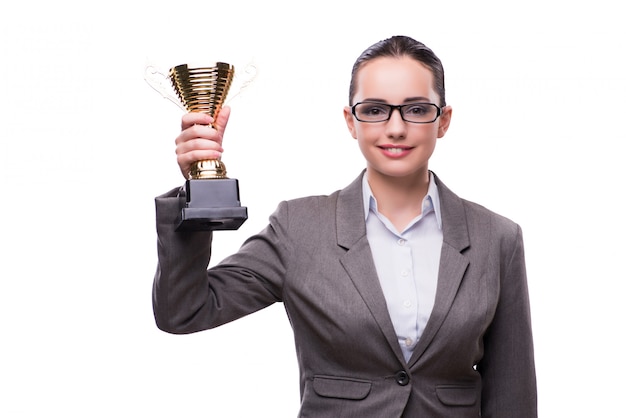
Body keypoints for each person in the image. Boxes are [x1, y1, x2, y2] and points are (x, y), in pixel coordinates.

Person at [152, 35, 537, 417]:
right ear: (351, 121)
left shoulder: (497, 238)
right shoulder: (298, 229)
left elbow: (512, 393)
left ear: (444, 120)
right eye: (374, 110)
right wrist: (199, 188)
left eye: (417, 110)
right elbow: (184, 311)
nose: (396, 128)